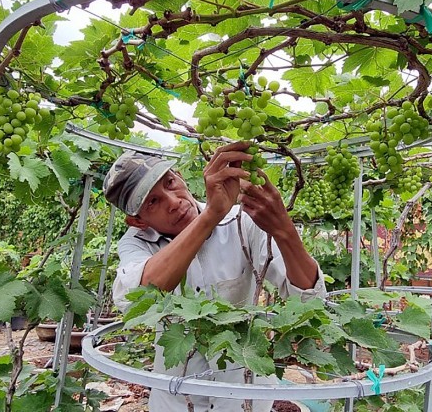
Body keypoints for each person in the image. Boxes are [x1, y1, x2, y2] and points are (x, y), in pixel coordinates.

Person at [103, 141, 326, 412]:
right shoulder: (136, 245)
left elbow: (308, 301)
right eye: (153, 201)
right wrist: (210, 215)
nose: (173, 202)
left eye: (170, 183)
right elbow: (135, 299)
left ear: (181, 177)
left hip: (244, 396)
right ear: (138, 221)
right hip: (176, 400)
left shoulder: (243, 222)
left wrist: (284, 229)